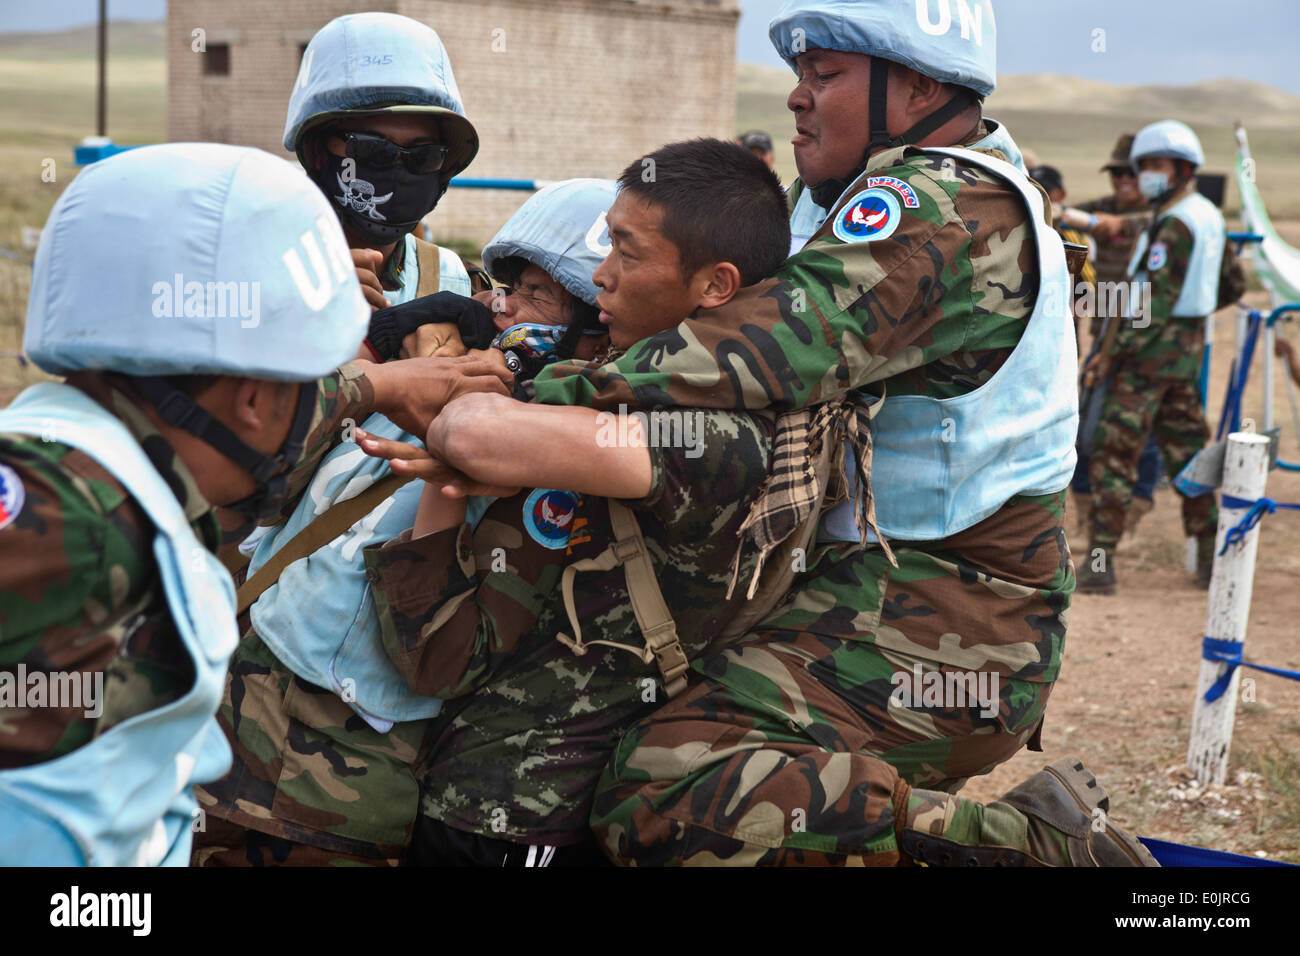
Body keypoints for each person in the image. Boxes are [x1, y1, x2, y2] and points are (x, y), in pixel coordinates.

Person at [522, 0, 1151, 867]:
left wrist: (539, 393)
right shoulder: (849, 198)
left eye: (826, 75)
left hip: (953, 619)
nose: (797, 97)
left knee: (664, 785)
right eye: (798, 74)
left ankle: (1025, 847)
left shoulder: (943, 204)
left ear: (919, 88)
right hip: (862, 582)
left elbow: (779, 339)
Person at [0, 143, 495, 865]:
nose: (323, 405)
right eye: (311, 382)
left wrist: (383, 385)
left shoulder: (113, 463)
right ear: (256, 400)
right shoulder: (62, 513)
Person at [358, 138, 792, 865]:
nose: (602, 275)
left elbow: (440, 655)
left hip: (517, 817)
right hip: (486, 802)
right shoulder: (614, 406)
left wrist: (457, 383)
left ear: (715, 285)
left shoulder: (708, 434)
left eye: (627, 253)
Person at [1079, 119, 1224, 594]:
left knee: (1114, 459)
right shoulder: (1207, 215)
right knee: (1188, 456)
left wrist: (1112, 356)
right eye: (1143, 166)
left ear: (1184, 169)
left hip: (1144, 359)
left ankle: (1099, 567)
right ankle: (1211, 562)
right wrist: (1192, 316)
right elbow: (1229, 284)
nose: (1146, 175)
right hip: (1183, 355)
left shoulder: (1174, 223)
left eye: (1157, 165)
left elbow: (1151, 305)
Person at [1070, 133, 1164, 538]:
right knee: (1086, 422)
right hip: (1106, 332)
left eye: (1130, 173)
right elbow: (1072, 215)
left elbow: (1114, 225)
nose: (1122, 181)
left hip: (1144, 336)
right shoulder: (1106, 205)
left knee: (1142, 425)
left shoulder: (1160, 216)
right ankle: (1087, 511)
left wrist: (1088, 221)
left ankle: (1136, 506)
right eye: (1116, 173)